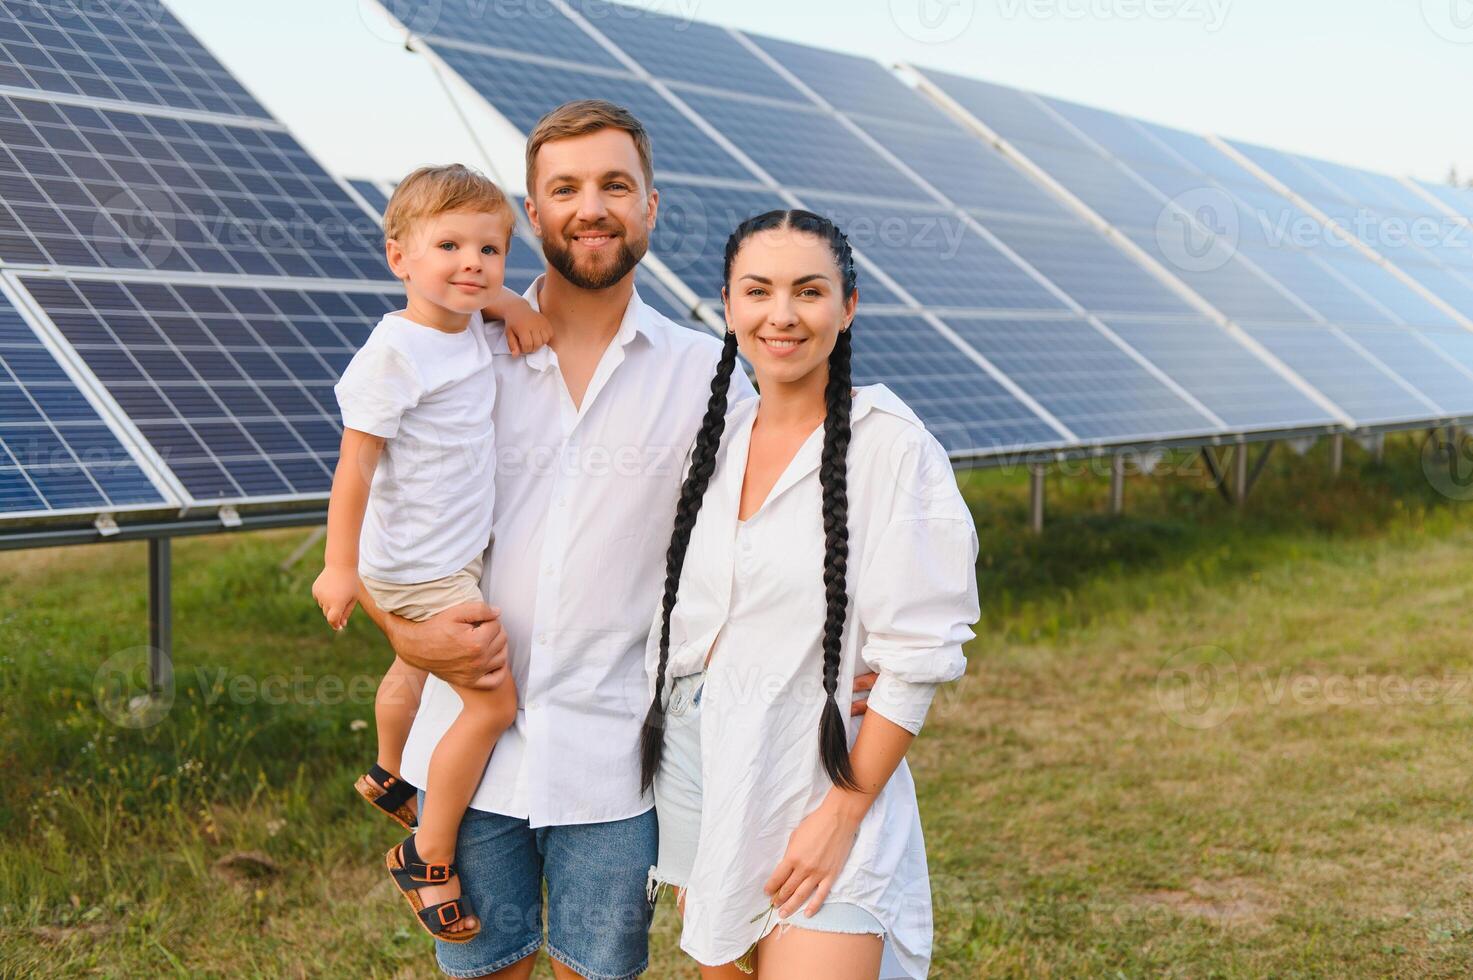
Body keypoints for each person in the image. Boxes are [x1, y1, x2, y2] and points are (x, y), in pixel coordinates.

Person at [641, 210, 981, 980]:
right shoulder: (714, 442)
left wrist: (841, 813)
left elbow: (918, 655)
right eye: (757, 291)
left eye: (809, 291)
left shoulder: (891, 447)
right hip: (700, 762)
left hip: (817, 767)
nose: (782, 315)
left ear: (847, 306)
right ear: (728, 306)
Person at [310, 164, 551, 942]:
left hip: (445, 553)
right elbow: (354, 466)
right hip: (419, 566)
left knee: (409, 669)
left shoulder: (468, 327)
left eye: (490, 249)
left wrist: (511, 304)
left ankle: (389, 773)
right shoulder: (396, 353)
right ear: (398, 258)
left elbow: (488, 299)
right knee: (492, 703)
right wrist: (338, 566)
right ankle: (428, 853)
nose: (472, 263)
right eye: (448, 245)